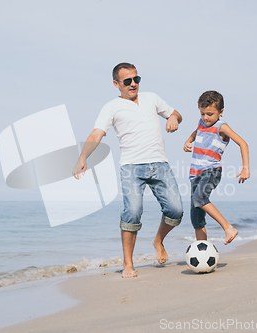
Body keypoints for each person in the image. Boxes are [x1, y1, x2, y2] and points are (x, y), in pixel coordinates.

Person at [73, 62, 184, 278]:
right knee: (132, 213)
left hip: (160, 164)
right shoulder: (111, 107)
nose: (133, 84)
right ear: (116, 84)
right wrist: (82, 157)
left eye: (136, 79)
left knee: (176, 211)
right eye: (127, 81)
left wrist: (172, 117)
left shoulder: (152, 98)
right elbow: (97, 134)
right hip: (131, 168)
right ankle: (128, 265)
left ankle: (158, 240)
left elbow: (177, 114)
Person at [183, 90, 249, 245]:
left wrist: (245, 168)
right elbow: (197, 131)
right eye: (203, 113)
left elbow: (243, 143)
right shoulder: (201, 123)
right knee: (196, 217)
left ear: (220, 112)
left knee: (200, 198)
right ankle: (202, 251)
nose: (206, 118)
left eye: (210, 114)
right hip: (194, 175)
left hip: (211, 171)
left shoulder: (222, 127)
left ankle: (228, 228)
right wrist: (189, 140)